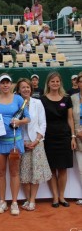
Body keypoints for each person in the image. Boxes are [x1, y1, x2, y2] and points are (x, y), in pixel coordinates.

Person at [0, 74, 30, 216]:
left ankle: (13, 202)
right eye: (2, 83)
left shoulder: (18, 99)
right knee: (0, 173)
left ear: (11, 85)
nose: (5, 85)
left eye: (7, 83)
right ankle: (2, 201)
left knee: (14, 172)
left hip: (14, 141)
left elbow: (27, 118)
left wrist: (19, 122)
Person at [15, 78, 52, 211]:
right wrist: (22, 142)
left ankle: (32, 201)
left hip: (37, 142)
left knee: (35, 174)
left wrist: (36, 141)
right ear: (19, 90)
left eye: (28, 87)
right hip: (21, 143)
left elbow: (43, 123)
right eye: (23, 87)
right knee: (24, 174)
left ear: (31, 89)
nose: (26, 89)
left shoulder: (38, 102)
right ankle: (27, 199)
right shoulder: (16, 103)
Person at [41, 72, 76, 208]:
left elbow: (70, 119)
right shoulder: (42, 100)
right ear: (48, 83)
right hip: (48, 138)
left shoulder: (67, 99)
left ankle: (62, 196)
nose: (55, 84)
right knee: (51, 169)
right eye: (52, 81)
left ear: (60, 83)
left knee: (63, 169)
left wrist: (72, 137)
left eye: (57, 81)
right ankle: (55, 197)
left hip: (64, 137)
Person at [71, 72, 82, 205]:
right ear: (77, 83)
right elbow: (70, 119)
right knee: (81, 169)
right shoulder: (73, 98)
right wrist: (75, 134)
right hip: (78, 137)